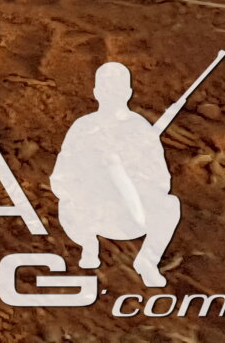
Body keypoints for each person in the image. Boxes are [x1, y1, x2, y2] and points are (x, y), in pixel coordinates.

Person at [52, 61, 182, 287]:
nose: (112, 94)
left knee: (170, 205)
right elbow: (61, 177)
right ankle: (89, 246)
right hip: (91, 211)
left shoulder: (140, 128)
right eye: (106, 89)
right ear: (96, 92)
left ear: (128, 92)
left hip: (131, 214)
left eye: (117, 89)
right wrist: (90, 180)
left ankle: (147, 260)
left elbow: (162, 180)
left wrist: (132, 172)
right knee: (67, 204)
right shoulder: (83, 127)